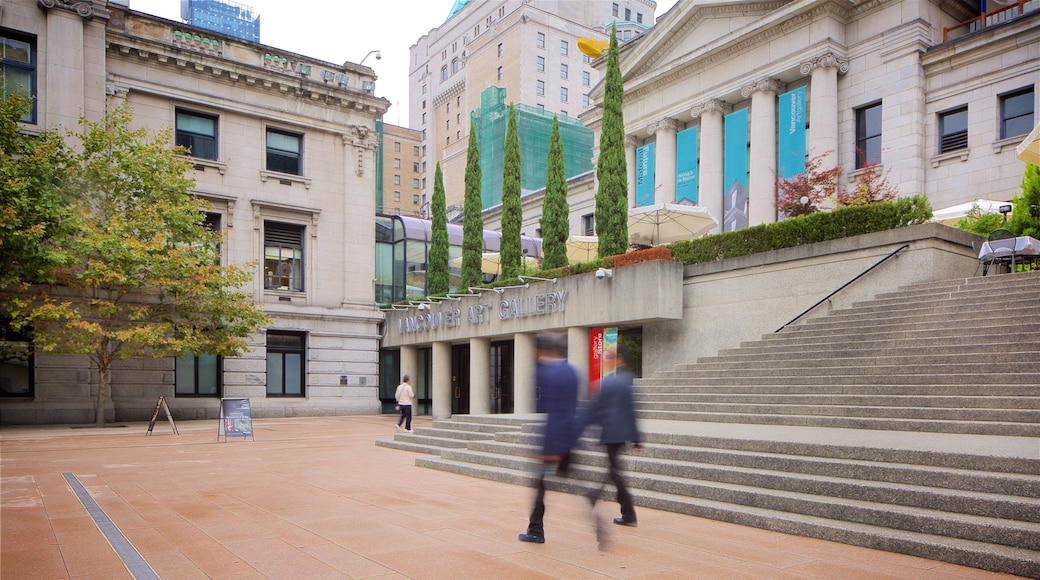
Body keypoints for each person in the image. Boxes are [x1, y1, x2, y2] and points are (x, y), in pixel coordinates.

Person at [518, 332, 580, 545]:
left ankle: (536, 530)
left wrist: (549, 448)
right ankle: (596, 515)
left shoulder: (544, 373)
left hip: (554, 441)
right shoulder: (571, 370)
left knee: (540, 484)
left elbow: (553, 413)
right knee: (575, 483)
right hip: (569, 437)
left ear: (540, 350)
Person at [584, 343, 642, 528]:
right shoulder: (627, 381)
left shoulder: (609, 382)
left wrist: (581, 427)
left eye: (609, 358)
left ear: (619, 360)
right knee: (613, 470)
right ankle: (623, 510)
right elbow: (632, 412)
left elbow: (594, 410)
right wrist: (636, 438)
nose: (606, 362)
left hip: (610, 433)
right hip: (621, 434)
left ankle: (628, 513)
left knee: (614, 471)